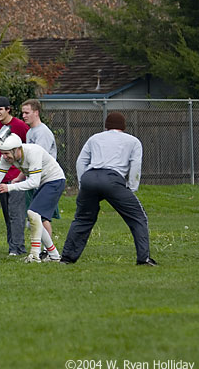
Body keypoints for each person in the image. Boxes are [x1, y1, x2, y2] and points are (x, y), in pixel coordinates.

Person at [61, 112, 157, 266]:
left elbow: (81, 161)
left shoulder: (95, 138)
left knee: (82, 219)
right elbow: (136, 165)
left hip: (90, 177)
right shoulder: (133, 141)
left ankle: (67, 258)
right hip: (112, 179)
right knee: (138, 218)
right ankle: (143, 258)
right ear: (124, 127)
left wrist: (82, 183)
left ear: (106, 126)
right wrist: (132, 187)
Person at [0, 133, 65, 263]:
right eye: (2, 153)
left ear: (17, 149)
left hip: (55, 181)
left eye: (6, 153)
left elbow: (33, 182)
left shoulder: (33, 151)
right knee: (31, 222)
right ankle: (54, 255)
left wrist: (9, 187)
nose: (4, 157)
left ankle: (35, 255)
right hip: (43, 183)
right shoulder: (8, 156)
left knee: (33, 214)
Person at [0, 96, 29, 256]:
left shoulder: (20, 126)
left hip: (16, 177)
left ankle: (18, 248)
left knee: (16, 213)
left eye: (0, 109)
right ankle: (12, 246)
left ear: (8, 110)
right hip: (1, 175)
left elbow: (27, 150)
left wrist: (22, 174)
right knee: (7, 214)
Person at [21, 98, 59, 258]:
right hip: (34, 180)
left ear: (36, 113)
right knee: (34, 217)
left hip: (46, 180)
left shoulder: (42, 132)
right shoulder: (30, 132)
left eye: (26, 112)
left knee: (42, 217)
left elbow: (37, 160)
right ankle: (46, 250)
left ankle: (48, 251)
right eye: (22, 112)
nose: (23, 116)